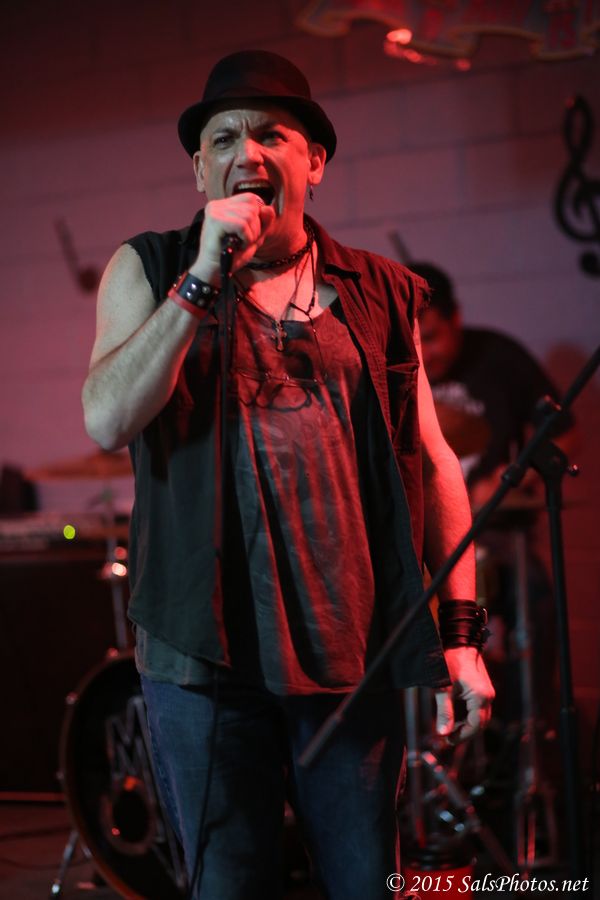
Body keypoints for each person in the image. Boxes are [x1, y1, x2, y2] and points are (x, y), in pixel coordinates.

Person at [82, 51, 494, 900]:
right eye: (224, 137)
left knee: (365, 881)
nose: (248, 151)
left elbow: (434, 461)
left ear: (316, 162)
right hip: (202, 658)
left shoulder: (381, 291)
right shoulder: (151, 268)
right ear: (200, 169)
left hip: (353, 654)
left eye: (273, 134)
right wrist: (202, 279)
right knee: (229, 885)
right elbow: (107, 420)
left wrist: (460, 634)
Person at [411, 261, 577, 725]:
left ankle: (527, 728)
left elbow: (565, 434)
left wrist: (511, 477)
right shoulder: (398, 366)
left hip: (492, 530)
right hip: (417, 536)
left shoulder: (498, 356)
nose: (427, 353)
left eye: (434, 336)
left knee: (536, 597)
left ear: (456, 318)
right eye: (417, 340)